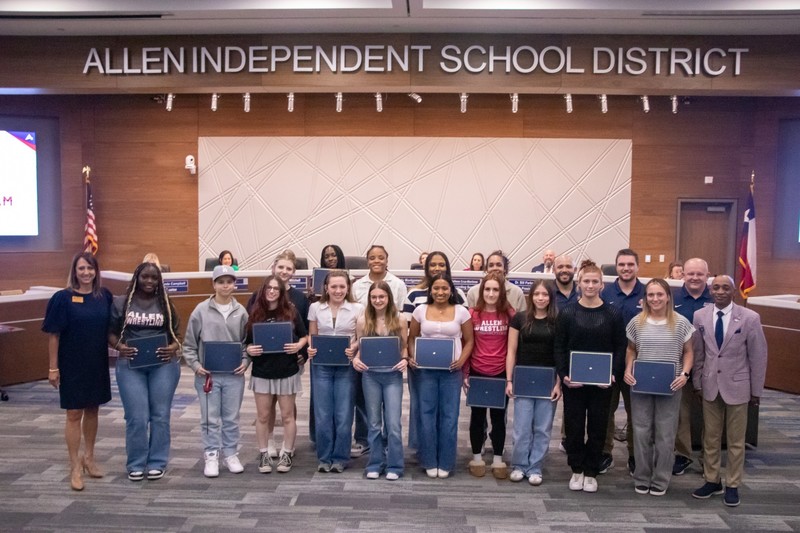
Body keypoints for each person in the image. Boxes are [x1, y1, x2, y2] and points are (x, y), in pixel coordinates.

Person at [691, 274, 767, 507]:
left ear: (733, 292)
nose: (720, 291)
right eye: (716, 288)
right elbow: (698, 352)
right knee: (710, 438)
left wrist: (757, 391)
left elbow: (758, 355)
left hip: (739, 386)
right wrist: (697, 382)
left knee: (735, 441)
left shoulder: (749, 318)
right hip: (710, 385)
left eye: (725, 288)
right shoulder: (700, 316)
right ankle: (712, 480)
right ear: (710, 291)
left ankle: (733, 484)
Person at [42, 252, 113, 491]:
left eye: (90, 268)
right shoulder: (62, 298)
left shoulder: (104, 296)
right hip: (71, 363)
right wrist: (53, 368)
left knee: (92, 410)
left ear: (96, 271)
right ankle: (74, 466)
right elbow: (54, 334)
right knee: (74, 414)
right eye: (81, 268)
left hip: (96, 362)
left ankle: (89, 458)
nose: (86, 273)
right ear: (74, 271)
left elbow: (111, 330)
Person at [554, 260, 626, 494]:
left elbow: (620, 347)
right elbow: (560, 347)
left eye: (595, 281)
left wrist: (613, 375)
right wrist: (564, 375)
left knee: (598, 427)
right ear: (579, 283)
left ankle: (592, 471)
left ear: (602, 285)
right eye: (586, 281)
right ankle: (576, 469)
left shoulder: (613, 313)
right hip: (573, 383)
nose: (591, 285)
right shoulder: (567, 313)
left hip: (603, 384)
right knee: (574, 427)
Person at [108, 262, 182, 482]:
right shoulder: (121, 303)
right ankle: (136, 463)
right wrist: (119, 347)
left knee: (160, 416)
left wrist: (173, 348)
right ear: (136, 278)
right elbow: (110, 332)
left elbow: (177, 335)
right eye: (145, 277)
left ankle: (158, 462)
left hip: (163, 365)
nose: (149, 281)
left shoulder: (166, 303)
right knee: (137, 417)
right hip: (131, 365)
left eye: (154, 278)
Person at [623, 278, 694, 496]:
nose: (655, 299)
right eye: (651, 295)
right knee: (641, 431)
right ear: (645, 298)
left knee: (666, 434)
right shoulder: (637, 322)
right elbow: (631, 350)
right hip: (641, 384)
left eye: (659, 294)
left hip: (670, 385)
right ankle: (642, 477)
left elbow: (689, 352)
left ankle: (661, 479)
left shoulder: (681, 323)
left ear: (668, 297)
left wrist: (685, 374)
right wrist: (628, 369)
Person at [182, 265, 250, 478]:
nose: (225, 285)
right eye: (221, 282)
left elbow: (248, 343)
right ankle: (211, 454)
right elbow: (189, 344)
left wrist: (246, 361)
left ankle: (230, 453)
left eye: (229, 281)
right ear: (214, 284)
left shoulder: (241, 312)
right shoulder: (200, 310)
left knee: (231, 417)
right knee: (210, 417)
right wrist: (195, 365)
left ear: (234, 284)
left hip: (233, 375)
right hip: (207, 375)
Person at [408, 273, 474, 479]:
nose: (440, 292)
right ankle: (429, 460)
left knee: (449, 416)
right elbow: (412, 338)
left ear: (451, 290)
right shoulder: (420, 311)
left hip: (451, 372)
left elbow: (470, 341)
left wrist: (461, 361)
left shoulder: (461, 312)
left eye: (445, 288)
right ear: (430, 290)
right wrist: (412, 356)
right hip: (425, 371)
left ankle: (446, 461)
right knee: (426, 415)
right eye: (436, 288)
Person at [247, 250, 310, 457]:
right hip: (264, 364)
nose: (284, 271)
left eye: (289, 268)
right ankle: (270, 442)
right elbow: (248, 333)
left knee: (287, 408)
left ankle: (288, 448)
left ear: (294, 272)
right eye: (281, 267)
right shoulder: (256, 298)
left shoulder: (299, 300)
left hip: (290, 362)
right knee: (266, 408)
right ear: (273, 268)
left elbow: (305, 332)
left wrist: (302, 353)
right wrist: (248, 350)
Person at [402, 251, 466, 452]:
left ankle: (442, 449)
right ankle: (422, 448)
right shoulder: (413, 294)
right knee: (422, 408)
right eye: (433, 265)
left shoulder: (458, 295)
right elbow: (406, 329)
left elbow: (465, 331)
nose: (437, 268)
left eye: (441, 265)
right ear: (426, 267)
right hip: (421, 365)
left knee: (447, 411)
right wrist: (410, 356)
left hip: (449, 366)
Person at [350, 245, 408, 458]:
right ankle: (370, 451)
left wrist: (404, 358)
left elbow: (403, 342)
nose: (376, 260)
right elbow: (359, 339)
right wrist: (356, 356)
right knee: (369, 414)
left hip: (392, 369)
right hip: (370, 367)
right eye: (372, 257)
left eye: (381, 257)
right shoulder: (358, 288)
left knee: (392, 419)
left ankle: (392, 456)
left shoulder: (398, 287)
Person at [307, 270, 363, 472]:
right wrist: (311, 348)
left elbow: (360, 337)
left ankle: (340, 457)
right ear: (326, 288)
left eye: (342, 286)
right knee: (322, 414)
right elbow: (313, 336)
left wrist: (354, 347)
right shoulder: (315, 307)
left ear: (348, 288)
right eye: (334, 287)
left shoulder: (357, 308)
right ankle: (324, 457)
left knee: (343, 414)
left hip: (346, 365)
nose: (338, 291)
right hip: (321, 365)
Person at [506, 279, 560, 486]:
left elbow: (560, 353)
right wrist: (509, 380)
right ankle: (519, 465)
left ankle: (535, 467)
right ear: (531, 296)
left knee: (543, 428)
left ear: (550, 298)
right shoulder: (519, 319)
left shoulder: (558, 321)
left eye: (545, 295)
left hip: (548, 379)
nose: (540, 298)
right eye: (537, 294)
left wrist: (558, 383)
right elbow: (511, 351)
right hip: (524, 378)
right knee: (521, 427)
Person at [599, 248, 645, 476]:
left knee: (635, 412)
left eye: (630, 264)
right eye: (622, 265)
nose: (626, 268)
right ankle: (605, 453)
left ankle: (635, 455)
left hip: (638, 364)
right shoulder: (605, 293)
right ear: (616, 267)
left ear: (637, 267)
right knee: (606, 412)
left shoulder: (648, 293)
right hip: (609, 362)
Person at [466, 272, 514, 479]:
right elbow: (466, 344)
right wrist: (465, 373)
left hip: (500, 373)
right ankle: (477, 457)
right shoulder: (473, 314)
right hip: (477, 371)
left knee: (498, 418)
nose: (491, 293)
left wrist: (511, 377)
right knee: (477, 417)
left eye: (495, 289)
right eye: (487, 289)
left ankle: (497, 458)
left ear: (501, 292)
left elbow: (514, 347)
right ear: (481, 291)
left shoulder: (509, 314)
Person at [670, 257, 713, 475]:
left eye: (700, 274)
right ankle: (683, 455)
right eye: (690, 273)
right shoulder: (673, 299)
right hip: (681, 365)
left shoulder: (717, 299)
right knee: (681, 413)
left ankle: (709, 458)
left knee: (710, 414)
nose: (695, 277)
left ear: (708, 275)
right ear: (683, 275)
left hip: (710, 366)